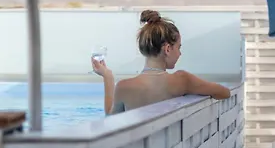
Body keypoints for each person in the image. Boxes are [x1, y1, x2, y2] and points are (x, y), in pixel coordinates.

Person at [91, 9, 231, 115]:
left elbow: (110, 118)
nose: (180, 53)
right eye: (179, 47)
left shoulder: (124, 87)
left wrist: (108, 77)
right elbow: (224, 93)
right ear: (168, 49)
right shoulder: (182, 80)